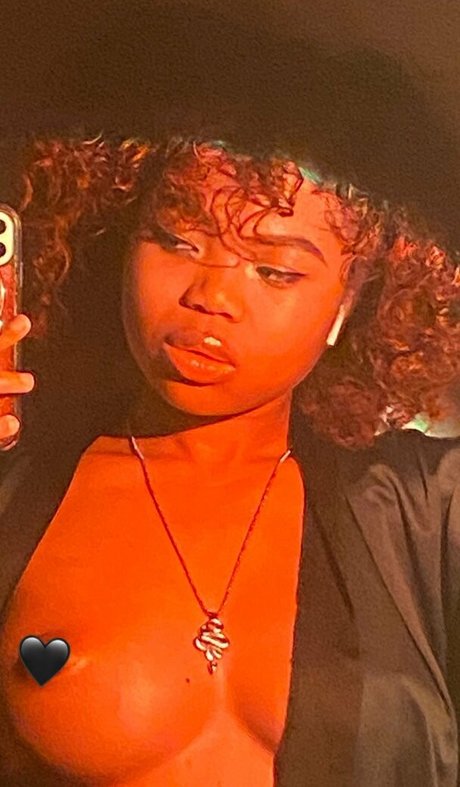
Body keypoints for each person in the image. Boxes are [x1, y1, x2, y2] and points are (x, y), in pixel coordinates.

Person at [0, 133, 459, 786]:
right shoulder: (17, 492)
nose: (211, 295)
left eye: (275, 271)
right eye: (177, 241)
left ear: (349, 300)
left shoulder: (428, 508)